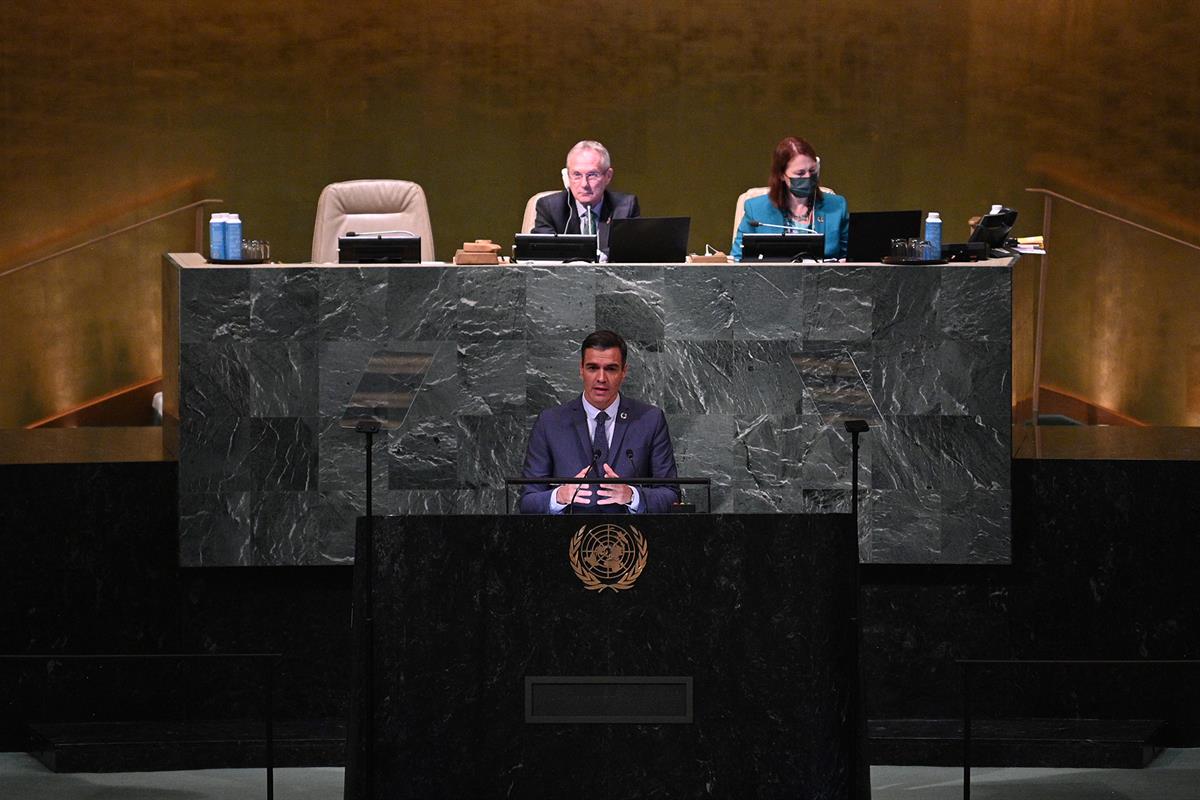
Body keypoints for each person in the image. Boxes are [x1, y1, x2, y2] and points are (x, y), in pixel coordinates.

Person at [519, 330, 679, 514]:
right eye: (593, 368)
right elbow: (527, 501)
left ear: (624, 372)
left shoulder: (650, 420)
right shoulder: (550, 422)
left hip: (632, 539)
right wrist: (558, 496)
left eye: (611, 369)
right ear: (581, 369)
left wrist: (632, 496)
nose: (601, 378)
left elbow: (672, 495)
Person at [731, 136, 849, 261]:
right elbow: (738, 260)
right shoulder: (755, 209)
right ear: (781, 175)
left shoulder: (837, 206)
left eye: (812, 170)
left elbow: (851, 259)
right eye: (800, 173)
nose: (808, 177)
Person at [531, 140, 641, 256]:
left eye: (592, 175)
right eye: (577, 175)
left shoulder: (625, 207)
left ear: (608, 176)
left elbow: (633, 254)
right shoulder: (550, 208)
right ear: (568, 176)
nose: (584, 184)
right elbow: (543, 254)